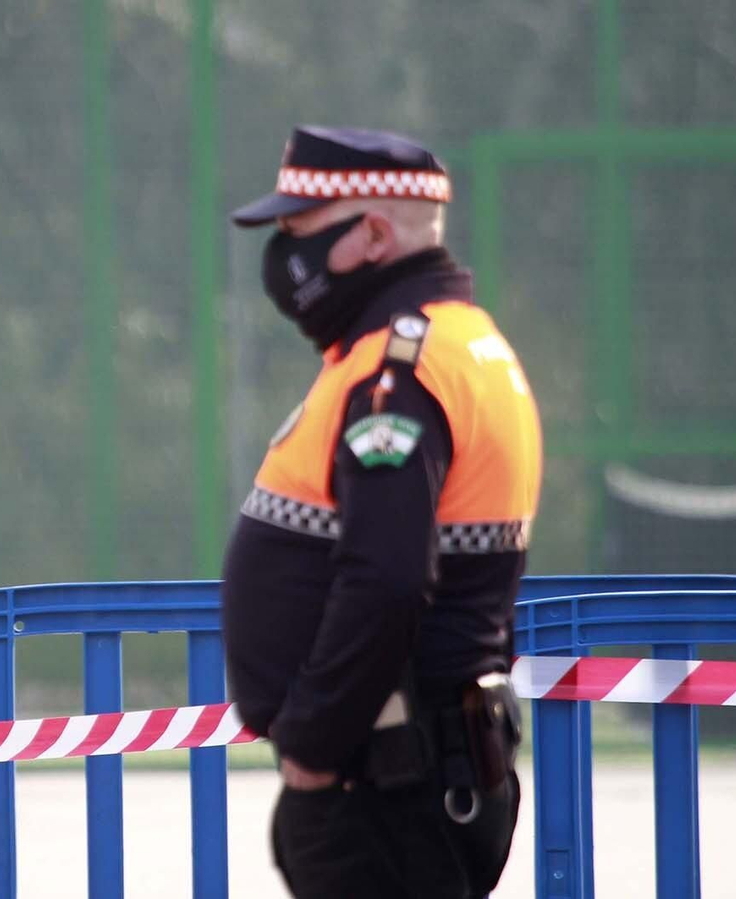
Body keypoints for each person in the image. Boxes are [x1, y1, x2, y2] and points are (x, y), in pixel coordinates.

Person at [220, 126, 542, 898]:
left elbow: (388, 578)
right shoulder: (466, 346)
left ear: (371, 235)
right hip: (426, 768)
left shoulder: (398, 375)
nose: (285, 257)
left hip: (387, 784)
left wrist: (312, 747)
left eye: (300, 231)